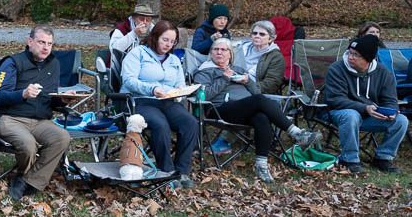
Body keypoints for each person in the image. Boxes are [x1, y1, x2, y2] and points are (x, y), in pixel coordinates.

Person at [193, 38, 322, 182]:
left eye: (223, 50)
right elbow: (203, 96)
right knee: (259, 101)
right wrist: (224, 79)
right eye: (216, 49)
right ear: (211, 52)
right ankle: (297, 133)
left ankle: (261, 166)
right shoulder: (204, 71)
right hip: (219, 110)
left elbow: (256, 93)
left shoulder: (239, 70)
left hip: (244, 109)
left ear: (230, 54)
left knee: (262, 117)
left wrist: (248, 82)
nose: (219, 52)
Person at [0, 25, 71, 201]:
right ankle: (26, 178)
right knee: (28, 144)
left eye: (49, 44)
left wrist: (63, 100)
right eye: (41, 42)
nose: (46, 48)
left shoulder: (54, 64)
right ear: (30, 42)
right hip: (10, 118)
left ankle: (27, 181)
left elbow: (51, 100)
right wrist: (23, 94)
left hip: (41, 121)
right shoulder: (12, 62)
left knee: (62, 137)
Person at [120, 20, 198, 187]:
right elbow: (129, 80)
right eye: (165, 39)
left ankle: (182, 171)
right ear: (155, 37)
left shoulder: (174, 60)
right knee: (160, 125)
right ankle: (167, 171)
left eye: (172, 41)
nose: (168, 44)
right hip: (141, 100)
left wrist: (180, 90)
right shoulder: (138, 53)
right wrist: (152, 89)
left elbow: (180, 83)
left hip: (167, 101)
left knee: (190, 123)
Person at [324, 35, 408, 174]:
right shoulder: (337, 69)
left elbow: (390, 99)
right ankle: (349, 160)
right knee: (351, 115)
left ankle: (382, 158)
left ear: (368, 59)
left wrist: (391, 111)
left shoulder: (383, 72)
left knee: (401, 121)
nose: (351, 57)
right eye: (350, 52)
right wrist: (364, 108)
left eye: (356, 55)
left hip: (369, 116)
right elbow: (335, 99)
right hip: (337, 113)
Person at [235, 20, 286, 95]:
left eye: (262, 34)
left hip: (255, 92)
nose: (257, 36)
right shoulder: (242, 48)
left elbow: (271, 84)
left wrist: (248, 84)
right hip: (233, 84)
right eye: (254, 33)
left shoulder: (276, 57)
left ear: (270, 38)